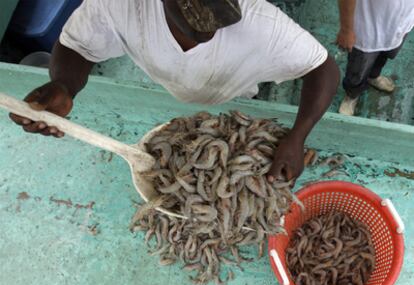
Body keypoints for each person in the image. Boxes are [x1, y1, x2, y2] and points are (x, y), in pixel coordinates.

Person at [9, 0, 339, 182]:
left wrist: (297, 137)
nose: (203, 30)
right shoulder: (121, 5)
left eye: (215, 20)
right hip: (170, 82)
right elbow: (76, 46)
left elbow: (324, 68)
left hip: (237, 92)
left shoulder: (261, 22)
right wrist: (65, 85)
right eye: (190, 15)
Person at [337, 0, 414, 116]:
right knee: (358, 68)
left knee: (385, 55)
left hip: (403, 23)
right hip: (368, 27)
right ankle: (352, 94)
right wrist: (346, 30)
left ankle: (373, 76)